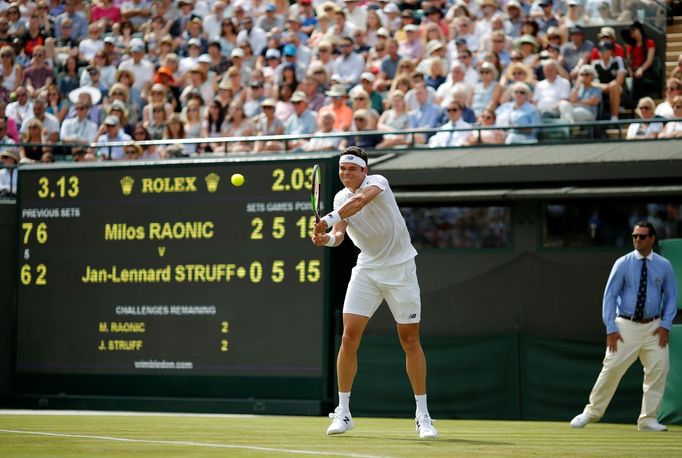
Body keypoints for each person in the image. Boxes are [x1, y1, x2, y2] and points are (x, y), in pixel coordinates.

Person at [311, 147, 438, 440]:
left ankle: (423, 416)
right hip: (367, 270)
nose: (346, 173)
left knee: (410, 340)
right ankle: (343, 412)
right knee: (348, 337)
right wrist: (325, 239)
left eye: (352, 169)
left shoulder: (377, 183)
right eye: (342, 169)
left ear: (364, 171)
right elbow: (340, 235)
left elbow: (360, 202)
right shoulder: (339, 199)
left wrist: (327, 219)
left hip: (401, 269)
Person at [570, 222, 677, 431]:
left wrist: (666, 325)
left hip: (654, 326)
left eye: (642, 237)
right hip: (625, 326)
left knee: (659, 369)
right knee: (611, 369)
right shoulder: (622, 263)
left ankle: (647, 419)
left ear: (652, 239)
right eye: (634, 236)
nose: (637, 240)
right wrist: (610, 327)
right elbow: (609, 296)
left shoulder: (664, 265)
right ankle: (591, 413)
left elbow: (672, 296)